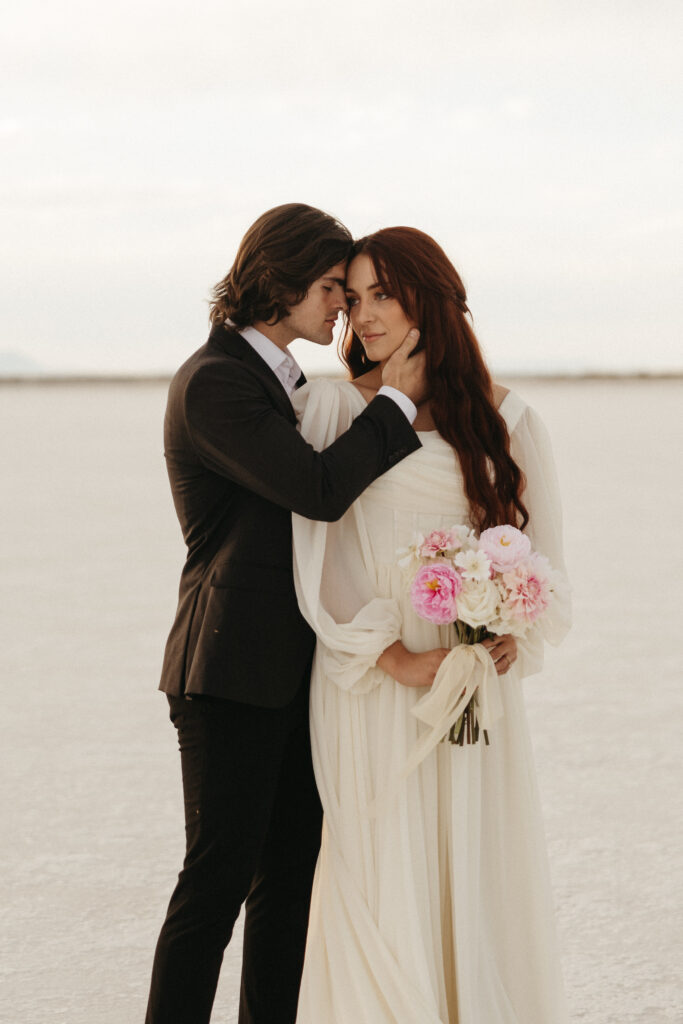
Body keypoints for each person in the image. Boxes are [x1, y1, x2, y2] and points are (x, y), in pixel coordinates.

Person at [145, 205, 427, 1024]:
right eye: (333, 286)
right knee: (216, 883)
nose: (344, 305)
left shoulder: (284, 381)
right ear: (281, 276)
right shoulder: (216, 380)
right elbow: (314, 489)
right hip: (226, 668)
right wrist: (397, 404)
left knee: (287, 881)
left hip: (292, 670)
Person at [291, 226, 572, 1023]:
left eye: (382, 292)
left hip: (470, 683)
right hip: (373, 682)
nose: (363, 314)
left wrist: (514, 622)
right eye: (352, 298)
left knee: (471, 864)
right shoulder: (334, 405)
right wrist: (386, 654)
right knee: (378, 866)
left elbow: (541, 557)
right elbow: (323, 551)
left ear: (432, 296)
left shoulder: (508, 417)